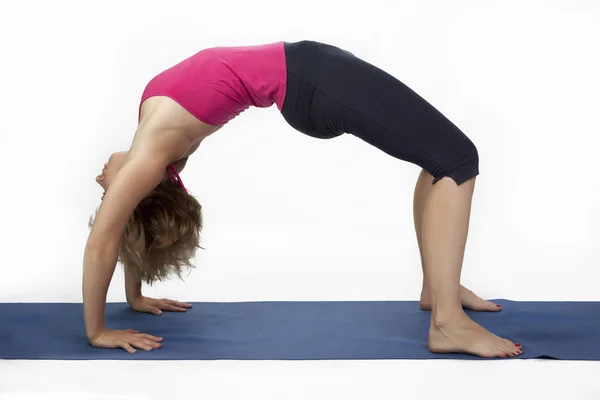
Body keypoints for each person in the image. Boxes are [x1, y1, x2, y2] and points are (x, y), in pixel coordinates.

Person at [85, 40, 523, 358]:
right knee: (457, 160)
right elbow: (104, 240)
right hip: (316, 84)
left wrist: (136, 295)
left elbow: (126, 227)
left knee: (436, 158)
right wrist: (97, 331)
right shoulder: (151, 155)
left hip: (314, 76)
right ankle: (446, 323)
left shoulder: (154, 143)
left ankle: (437, 289)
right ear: (139, 190)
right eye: (111, 193)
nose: (100, 180)